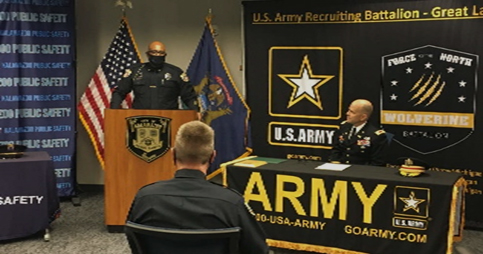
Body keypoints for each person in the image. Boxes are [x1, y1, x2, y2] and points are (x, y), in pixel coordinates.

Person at [126, 120, 269, 254]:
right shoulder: (231, 203)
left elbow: (135, 242)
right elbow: (258, 250)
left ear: (173, 154)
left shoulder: (145, 198)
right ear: (213, 157)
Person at [110, 41, 199, 111]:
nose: (157, 55)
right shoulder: (135, 71)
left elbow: (189, 96)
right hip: (139, 117)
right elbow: (120, 92)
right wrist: (113, 110)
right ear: (148, 54)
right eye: (154, 52)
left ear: (165, 54)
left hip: (170, 117)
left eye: (161, 53)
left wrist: (196, 111)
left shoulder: (175, 72)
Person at [329, 99, 388, 166]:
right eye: (348, 110)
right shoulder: (343, 127)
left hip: (361, 172)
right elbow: (336, 149)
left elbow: (377, 163)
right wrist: (335, 162)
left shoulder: (376, 135)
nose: (347, 113)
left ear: (363, 117)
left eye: (352, 112)